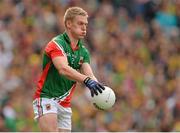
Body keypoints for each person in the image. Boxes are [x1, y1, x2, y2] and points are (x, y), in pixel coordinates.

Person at [32, 6, 105, 132]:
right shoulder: (56, 44)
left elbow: (89, 74)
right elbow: (63, 69)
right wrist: (87, 80)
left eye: (86, 24)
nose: (84, 28)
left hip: (65, 103)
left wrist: (99, 90)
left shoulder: (83, 51)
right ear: (69, 24)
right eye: (80, 23)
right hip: (47, 97)